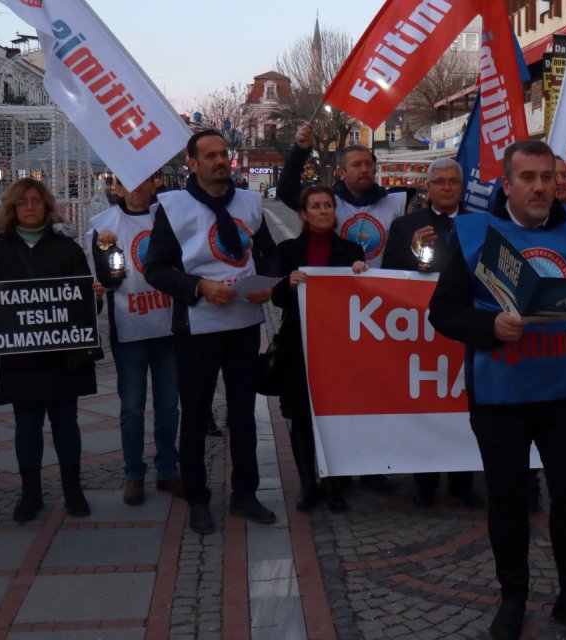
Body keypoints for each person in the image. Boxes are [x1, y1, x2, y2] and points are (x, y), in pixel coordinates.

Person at [429, 140, 566, 640]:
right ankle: (512, 597)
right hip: (501, 396)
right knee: (508, 501)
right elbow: (442, 312)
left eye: (547, 177)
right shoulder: (475, 235)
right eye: (528, 178)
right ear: (507, 184)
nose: (539, 187)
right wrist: (489, 327)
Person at [144, 130, 279, 534]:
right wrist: (199, 286)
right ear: (193, 163)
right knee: (196, 414)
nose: (220, 161)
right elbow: (155, 268)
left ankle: (245, 493)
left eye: (223, 154)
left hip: (243, 324)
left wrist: (269, 283)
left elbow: (269, 254)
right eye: (210, 156)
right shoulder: (174, 207)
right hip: (197, 325)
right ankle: (198, 497)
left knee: (244, 413)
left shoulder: (249, 203)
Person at [0, 178, 103, 522]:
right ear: (11, 209)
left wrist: (95, 297)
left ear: (47, 206)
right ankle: (31, 493)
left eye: (36, 200)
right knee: (26, 425)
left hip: (63, 358)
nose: (29, 207)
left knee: (66, 423)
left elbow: (86, 305)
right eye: (22, 201)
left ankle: (73, 490)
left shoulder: (67, 249)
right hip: (20, 358)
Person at [381, 158, 482, 509]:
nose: (446, 187)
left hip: (465, 326)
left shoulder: (479, 223)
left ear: (461, 186)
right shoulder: (405, 225)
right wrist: (412, 249)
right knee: (425, 406)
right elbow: (388, 274)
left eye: (453, 181)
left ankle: (462, 483)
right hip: (419, 331)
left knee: (463, 404)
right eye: (439, 181)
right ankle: (424, 483)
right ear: (428, 187)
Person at [270, 185, 370, 513]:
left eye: (328, 205)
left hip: (339, 346)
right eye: (315, 206)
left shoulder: (351, 250)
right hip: (298, 343)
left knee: (334, 415)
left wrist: (362, 274)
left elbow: (363, 298)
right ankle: (307, 484)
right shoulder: (288, 250)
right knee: (301, 414)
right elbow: (275, 296)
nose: (323, 211)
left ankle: (333, 484)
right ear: (303, 214)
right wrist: (288, 284)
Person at [86, 175, 182, 506]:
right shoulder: (104, 226)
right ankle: (133, 474)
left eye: (143, 181)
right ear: (118, 189)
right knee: (131, 406)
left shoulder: (168, 218)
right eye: (129, 182)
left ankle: (168, 468)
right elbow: (107, 279)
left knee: (168, 405)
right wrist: (105, 251)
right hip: (129, 329)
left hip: (168, 326)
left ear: (155, 185)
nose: (137, 188)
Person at [278, 122, 412, 268]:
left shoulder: (398, 202)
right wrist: (300, 150)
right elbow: (286, 190)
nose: (364, 169)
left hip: (382, 282)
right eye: (356, 165)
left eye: (369, 164)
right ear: (341, 172)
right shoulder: (329, 203)